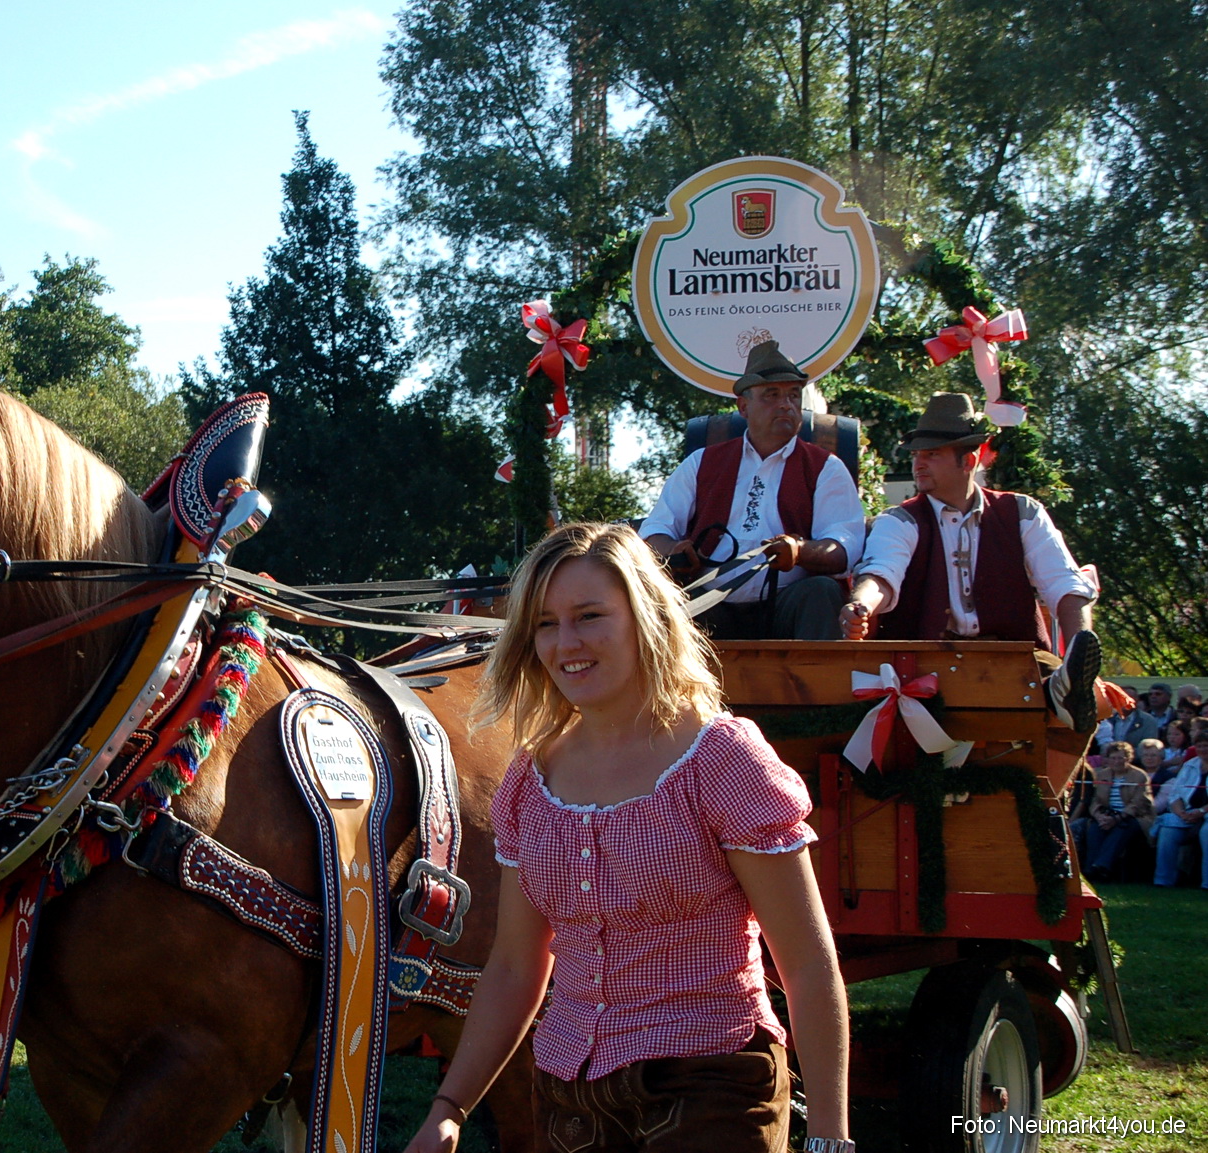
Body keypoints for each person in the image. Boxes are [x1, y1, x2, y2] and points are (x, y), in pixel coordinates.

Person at [404, 522, 851, 1153]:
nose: (567, 643)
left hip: (711, 1083)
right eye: (545, 624)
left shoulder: (720, 760)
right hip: (568, 1096)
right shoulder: (532, 782)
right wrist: (448, 1108)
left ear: (645, 618)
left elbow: (807, 965)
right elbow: (514, 965)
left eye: (589, 616)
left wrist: (831, 1137)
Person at [837, 394, 1101, 733]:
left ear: (969, 460)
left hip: (1015, 661)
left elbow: (1064, 583)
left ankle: (1068, 687)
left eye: (932, 454)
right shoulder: (900, 520)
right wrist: (861, 605)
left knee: (1091, 705)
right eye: (917, 454)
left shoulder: (1023, 513)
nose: (918, 464)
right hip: (924, 666)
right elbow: (881, 573)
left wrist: (1079, 654)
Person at [641, 340, 865, 641]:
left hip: (789, 602)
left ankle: (818, 685)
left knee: (821, 592)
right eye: (772, 395)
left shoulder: (826, 467)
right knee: (672, 603)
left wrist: (799, 552)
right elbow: (654, 531)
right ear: (743, 407)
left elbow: (844, 548)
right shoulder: (701, 462)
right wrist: (672, 549)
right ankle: (674, 689)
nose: (786, 404)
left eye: (793, 395)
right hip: (711, 601)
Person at [1078, 741, 1154, 881]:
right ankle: (1090, 870)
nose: (1116, 761)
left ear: (1128, 758)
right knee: (1094, 829)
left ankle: (1102, 866)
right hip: (1106, 815)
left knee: (1122, 829)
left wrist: (1118, 818)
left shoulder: (1139, 776)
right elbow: (1095, 800)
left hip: (1133, 817)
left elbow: (1139, 803)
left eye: (1121, 758)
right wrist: (1099, 816)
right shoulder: (1101, 775)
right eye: (1113, 758)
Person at [1152, 732, 1208, 888]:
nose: (1203, 749)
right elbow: (1175, 794)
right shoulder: (1190, 765)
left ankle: (1206, 882)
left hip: (1205, 814)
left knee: (1207, 832)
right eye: (1200, 746)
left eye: (1206, 745)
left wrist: (1202, 812)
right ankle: (1163, 880)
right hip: (1187, 812)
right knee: (1168, 830)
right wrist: (1181, 813)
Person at [1096, 693, 1161, 753]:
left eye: (1129, 698)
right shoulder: (1107, 719)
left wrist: (1125, 755)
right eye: (1121, 698)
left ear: (1136, 701)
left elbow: (1148, 748)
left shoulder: (1147, 720)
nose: (1125, 701)